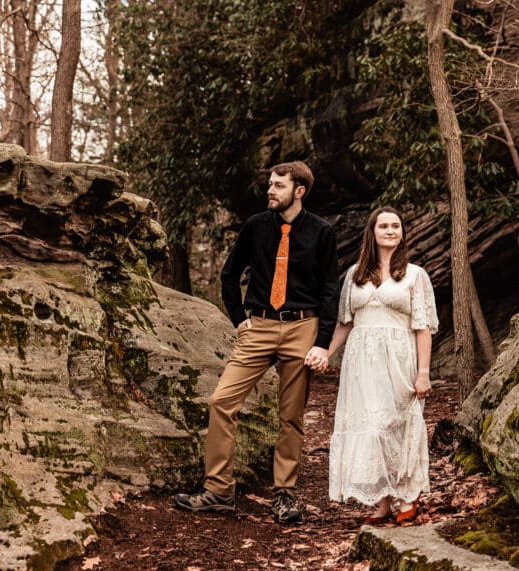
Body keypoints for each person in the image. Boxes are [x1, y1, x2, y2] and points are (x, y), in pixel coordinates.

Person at [174, 161, 339, 525]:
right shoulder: (255, 226)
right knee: (221, 401)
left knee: (291, 417)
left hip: (302, 327)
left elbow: (330, 290)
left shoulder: (321, 232)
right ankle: (218, 490)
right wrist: (239, 319)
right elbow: (230, 274)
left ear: (299, 191)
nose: (270, 190)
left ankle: (284, 495)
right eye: (270, 184)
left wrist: (322, 342)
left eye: (278, 185)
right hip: (259, 326)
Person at [311, 206, 437, 525]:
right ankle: (382, 503)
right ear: (373, 232)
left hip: (399, 360)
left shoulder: (415, 275)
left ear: (402, 233)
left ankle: (408, 497)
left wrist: (423, 373)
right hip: (361, 365)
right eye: (384, 226)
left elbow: (423, 327)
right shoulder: (355, 275)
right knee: (371, 429)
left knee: (398, 425)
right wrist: (325, 352)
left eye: (396, 226)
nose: (391, 231)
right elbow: (345, 323)